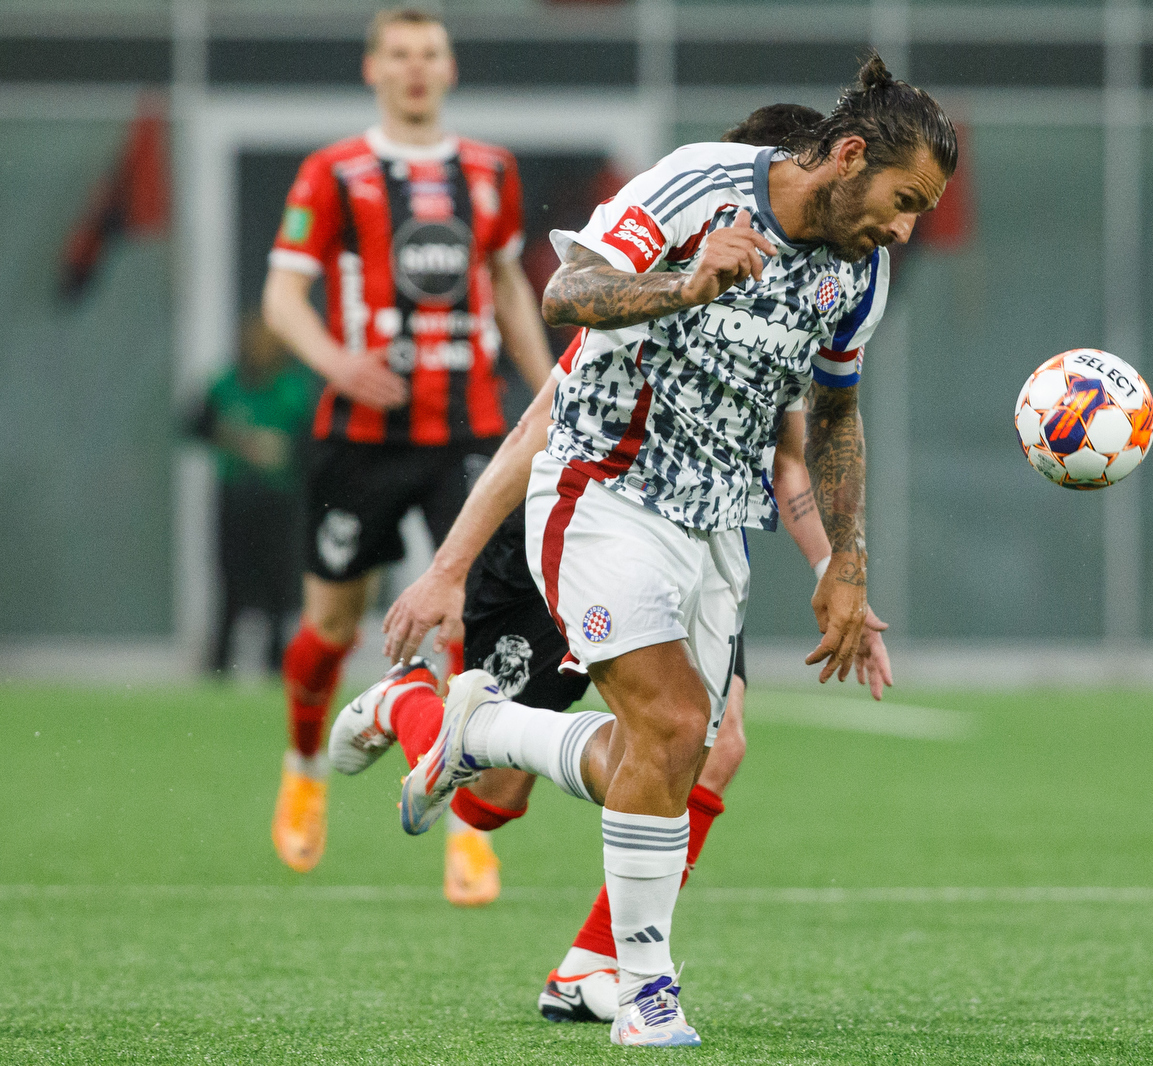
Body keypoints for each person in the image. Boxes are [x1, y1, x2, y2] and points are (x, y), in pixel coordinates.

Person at [397, 56, 956, 1046]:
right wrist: (686, 282)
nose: (905, 229)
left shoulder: (859, 273)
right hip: (603, 490)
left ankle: (479, 732)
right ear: (851, 155)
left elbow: (830, 418)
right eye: (903, 201)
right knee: (675, 722)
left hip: (716, 527)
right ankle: (645, 990)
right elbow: (567, 292)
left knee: (673, 750)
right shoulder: (698, 182)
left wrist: (847, 561)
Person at [331, 107, 889, 931]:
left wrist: (834, 571)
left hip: (696, 531)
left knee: (707, 741)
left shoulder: (789, 306)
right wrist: (447, 570)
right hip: (585, 518)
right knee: (490, 803)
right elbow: (532, 435)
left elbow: (792, 456)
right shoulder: (633, 309)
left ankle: (599, 967)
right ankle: (411, 705)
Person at [259, 6, 555, 877]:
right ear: (373, 69)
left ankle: (467, 819)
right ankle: (305, 767)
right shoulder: (334, 172)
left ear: (450, 69)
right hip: (358, 437)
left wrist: (550, 395)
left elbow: (506, 289)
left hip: (466, 432)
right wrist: (337, 363)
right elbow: (283, 296)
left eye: (430, 54)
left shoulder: (490, 171)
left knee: (469, 613)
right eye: (400, 55)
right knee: (330, 623)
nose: (416, 68)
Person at [190, 315, 318, 674]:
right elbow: (194, 424)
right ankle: (220, 661)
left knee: (279, 580)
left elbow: (313, 446)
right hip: (235, 496)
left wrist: (283, 451)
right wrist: (235, 439)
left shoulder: (293, 390)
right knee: (230, 577)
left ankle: (276, 660)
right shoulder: (225, 385)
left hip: (279, 500)